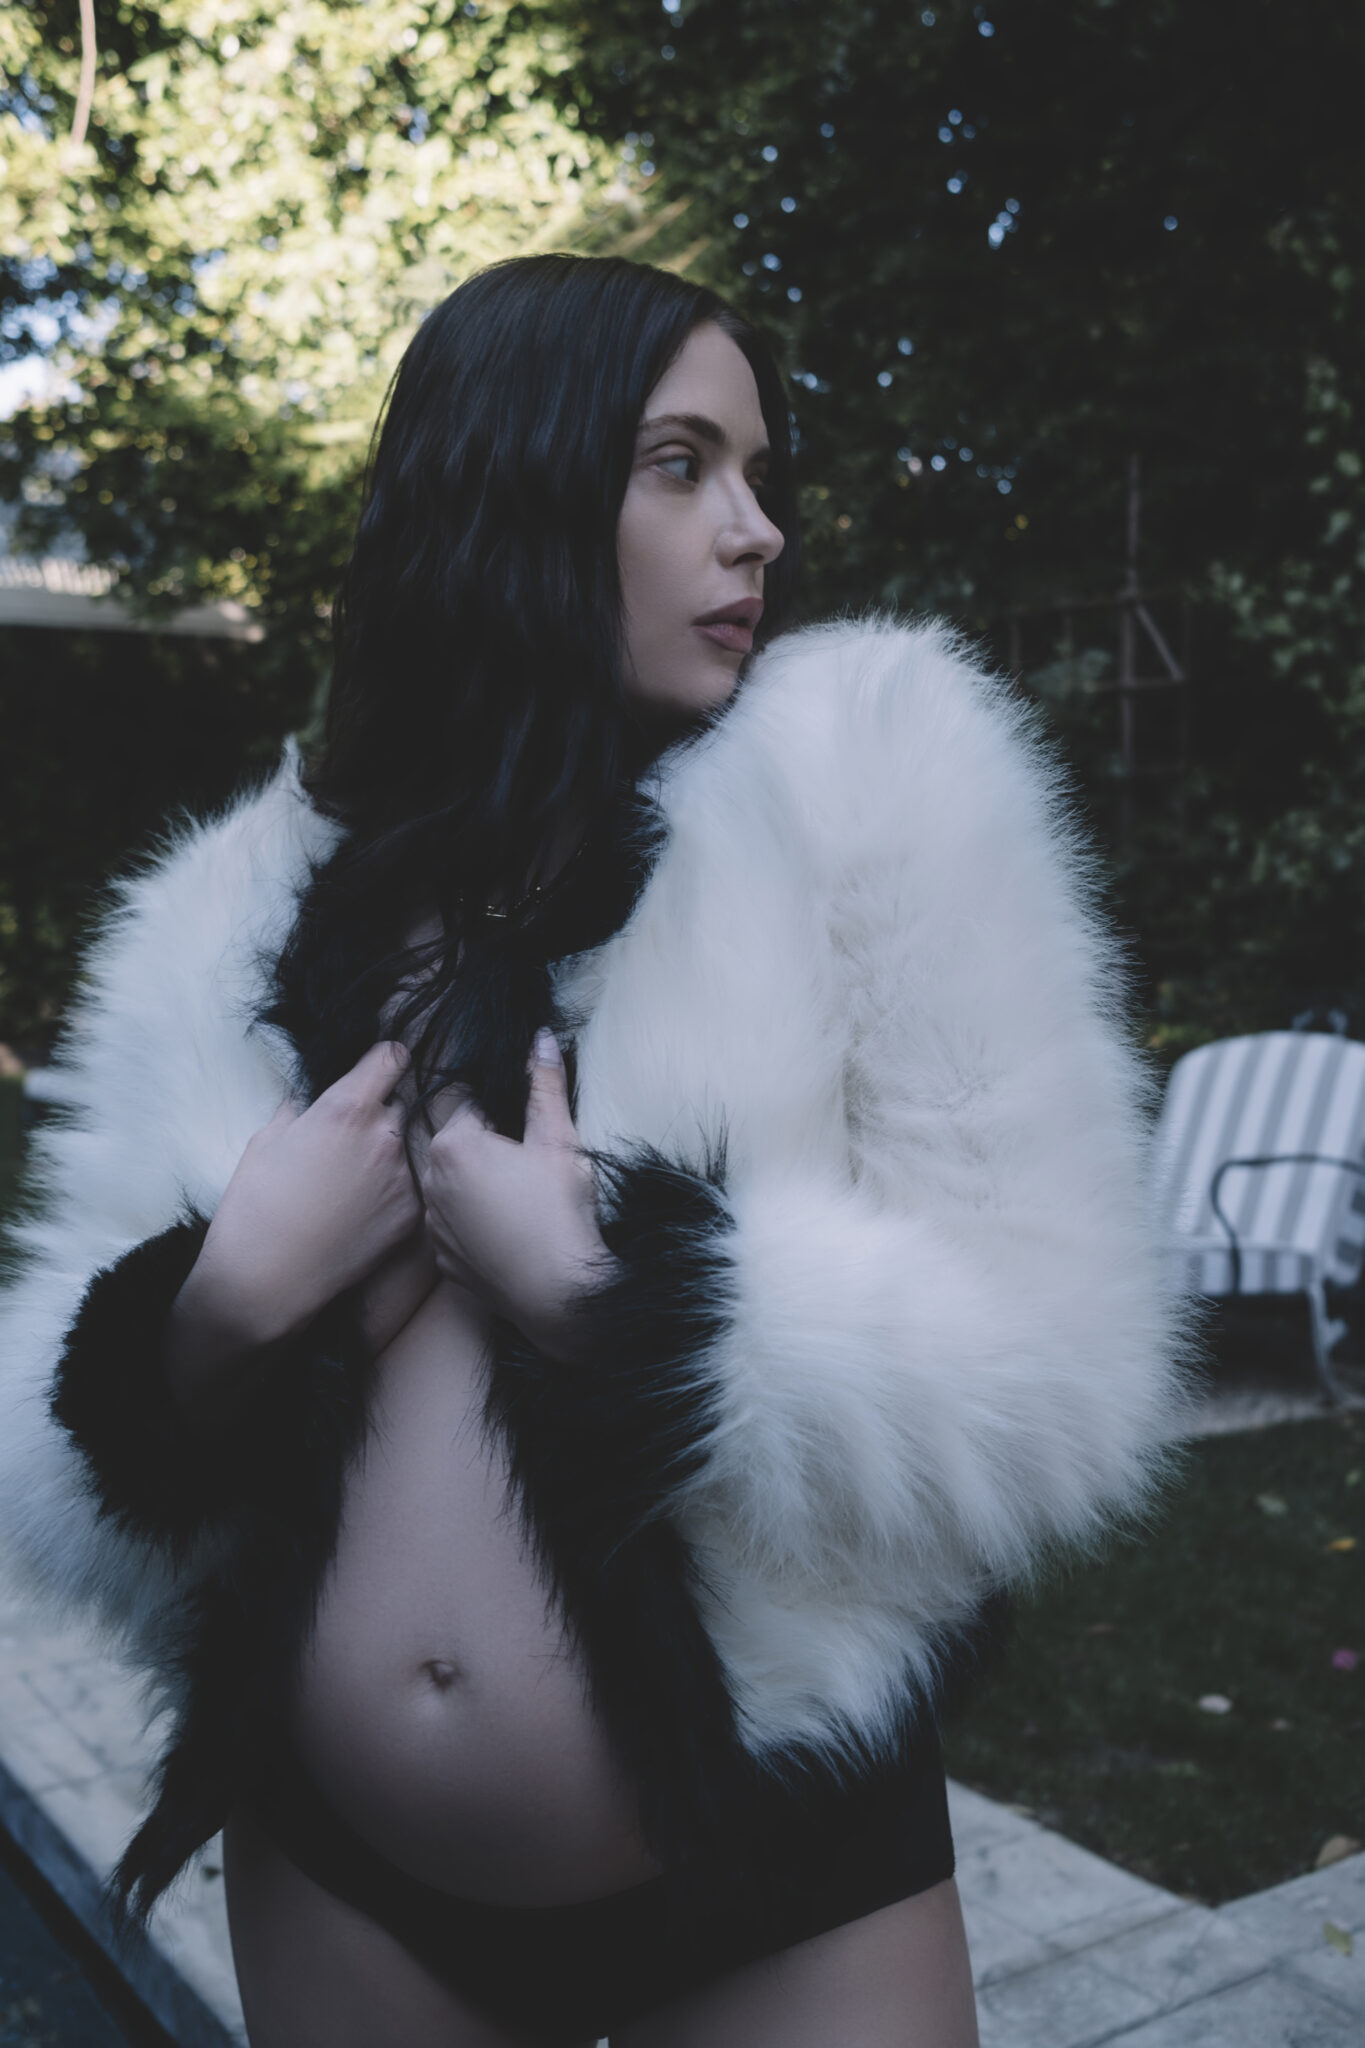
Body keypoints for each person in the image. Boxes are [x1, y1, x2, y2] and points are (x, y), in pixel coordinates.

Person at [0, 256, 1183, 2047]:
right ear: (513, 484)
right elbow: (52, 1464)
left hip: (777, 1857)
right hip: (336, 1870)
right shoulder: (240, 898)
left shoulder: (870, 775)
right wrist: (221, 1306)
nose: (758, 529)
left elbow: (1065, 1377)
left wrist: (625, 1299)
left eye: (760, 475)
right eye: (681, 465)